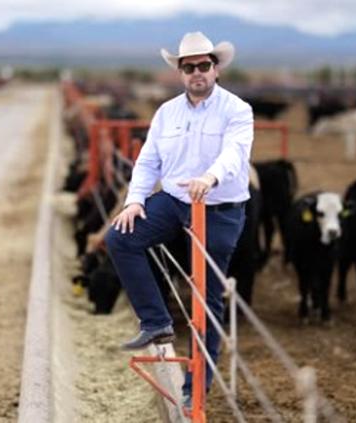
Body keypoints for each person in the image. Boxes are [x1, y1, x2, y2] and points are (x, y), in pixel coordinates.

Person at [104, 31, 253, 409]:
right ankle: (156, 321)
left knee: (205, 297)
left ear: (216, 69)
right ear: (181, 73)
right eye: (189, 67)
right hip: (173, 201)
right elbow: (148, 161)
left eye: (203, 65)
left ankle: (196, 388)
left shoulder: (237, 110)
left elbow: (235, 153)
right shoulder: (166, 112)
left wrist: (210, 177)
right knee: (121, 237)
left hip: (218, 208)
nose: (197, 72)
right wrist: (134, 201)